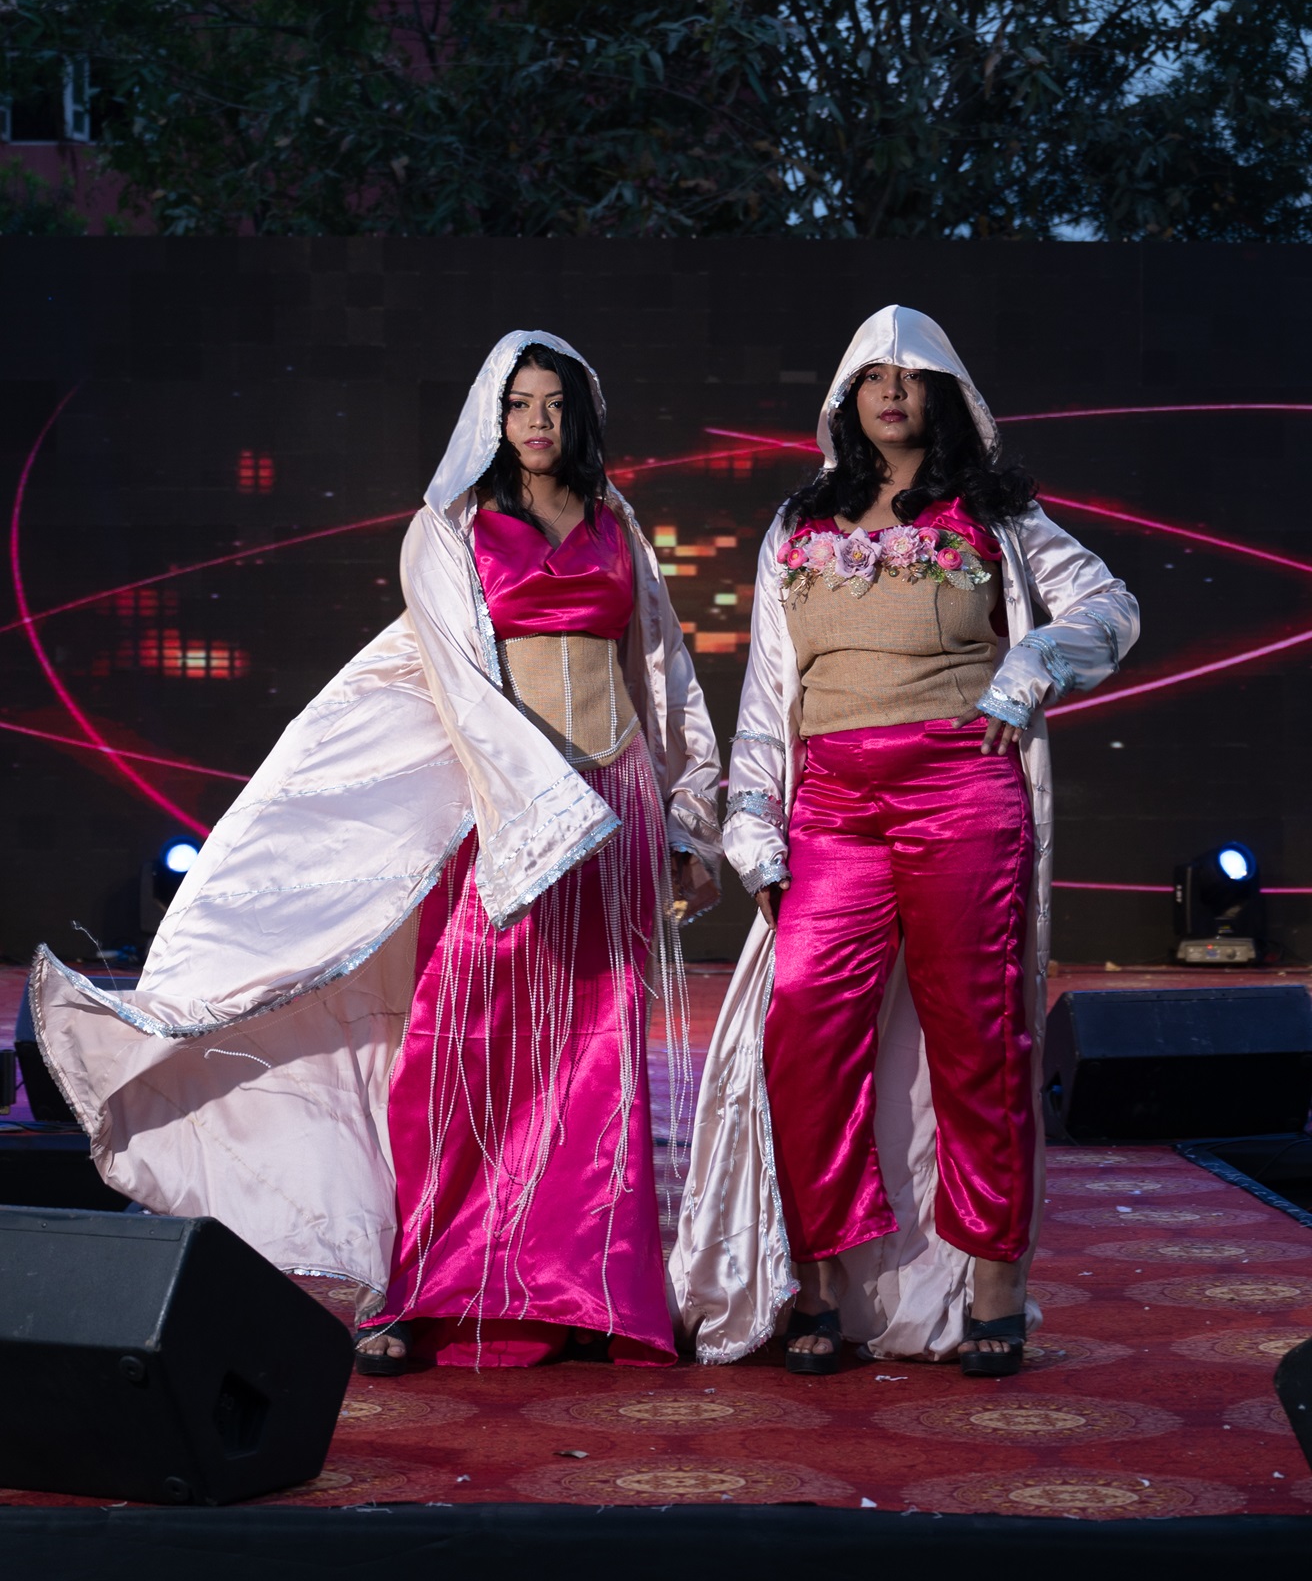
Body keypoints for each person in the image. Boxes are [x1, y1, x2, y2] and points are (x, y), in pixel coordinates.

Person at [33, 329, 720, 1372]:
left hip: (615, 801)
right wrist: (537, 812)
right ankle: (428, 1281)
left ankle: (581, 1288)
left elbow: (660, 670)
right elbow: (460, 687)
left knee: (598, 1045)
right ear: (492, 417)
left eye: (555, 404)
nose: (538, 422)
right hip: (507, 814)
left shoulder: (615, 522)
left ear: (580, 417)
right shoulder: (448, 529)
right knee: (464, 1037)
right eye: (520, 404)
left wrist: (683, 814)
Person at [670, 305, 1138, 1378]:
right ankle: (821, 1279)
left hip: (961, 787)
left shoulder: (996, 513)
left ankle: (993, 1283)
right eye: (872, 376)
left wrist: (1029, 671)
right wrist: (752, 818)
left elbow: (1110, 607)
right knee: (802, 1030)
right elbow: (769, 691)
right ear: (845, 399)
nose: (891, 391)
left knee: (979, 1038)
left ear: (943, 395)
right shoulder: (798, 523)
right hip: (831, 803)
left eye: (911, 375)